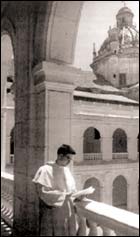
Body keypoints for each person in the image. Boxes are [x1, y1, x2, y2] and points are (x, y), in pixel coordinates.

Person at [32, 144, 77, 236]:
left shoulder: (67, 171)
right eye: (68, 158)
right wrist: (63, 195)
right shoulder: (45, 170)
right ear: (60, 156)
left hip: (67, 211)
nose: (69, 161)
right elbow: (42, 192)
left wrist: (78, 195)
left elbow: (72, 189)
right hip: (52, 212)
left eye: (70, 159)